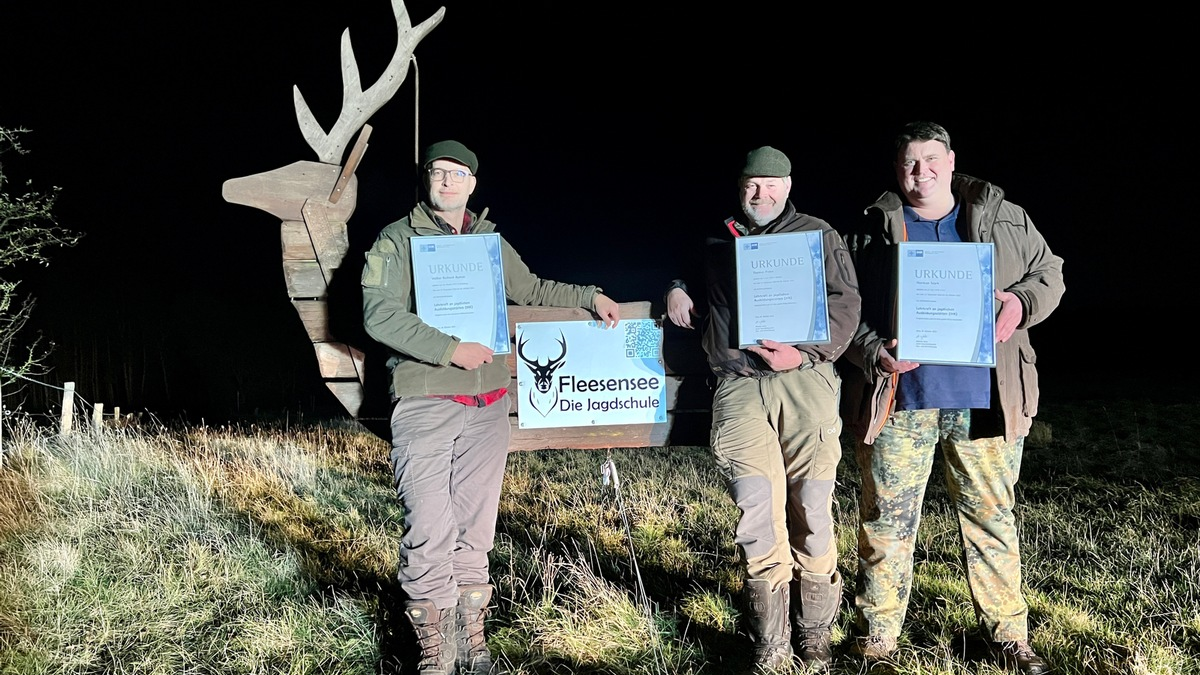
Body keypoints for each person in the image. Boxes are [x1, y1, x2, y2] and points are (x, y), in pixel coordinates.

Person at [361, 140, 621, 675]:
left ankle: (472, 645)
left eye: (458, 174)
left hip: (487, 406)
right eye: (439, 172)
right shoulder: (396, 239)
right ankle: (436, 654)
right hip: (426, 400)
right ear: (427, 179)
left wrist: (591, 295)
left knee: (475, 530)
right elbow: (377, 315)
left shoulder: (488, 243)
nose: (448, 181)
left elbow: (533, 288)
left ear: (472, 184)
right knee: (429, 526)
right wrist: (448, 349)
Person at [839, 121, 1064, 674]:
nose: (923, 172)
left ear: (951, 159)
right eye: (911, 162)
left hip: (983, 401)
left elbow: (1051, 274)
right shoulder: (870, 229)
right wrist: (874, 352)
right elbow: (842, 310)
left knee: (991, 518)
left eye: (932, 159)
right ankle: (879, 639)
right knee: (886, 523)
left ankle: (1010, 637)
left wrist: (1018, 303)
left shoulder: (1003, 217)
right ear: (897, 169)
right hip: (900, 400)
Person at [666, 146, 861, 672]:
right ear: (740, 186)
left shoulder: (818, 233)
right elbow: (684, 270)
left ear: (789, 185)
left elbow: (846, 305)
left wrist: (804, 351)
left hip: (804, 381)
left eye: (772, 185)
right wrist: (678, 287)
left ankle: (814, 637)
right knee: (756, 513)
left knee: (812, 509)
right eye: (753, 185)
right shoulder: (716, 236)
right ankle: (771, 645)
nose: (761, 193)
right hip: (738, 388)